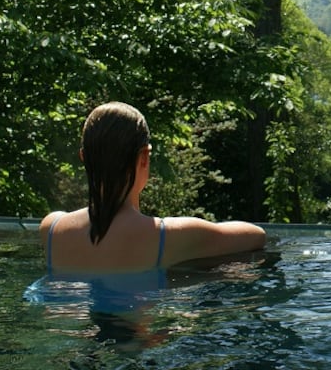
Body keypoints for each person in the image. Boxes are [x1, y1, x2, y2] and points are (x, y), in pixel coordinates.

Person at [39, 101, 266, 273]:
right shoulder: (168, 237)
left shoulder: (51, 229)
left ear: (83, 158)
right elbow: (256, 236)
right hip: (136, 334)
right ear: (144, 157)